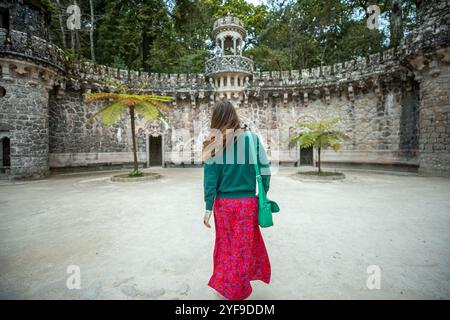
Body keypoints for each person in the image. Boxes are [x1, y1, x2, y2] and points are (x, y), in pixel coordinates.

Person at [202, 100, 271, 300]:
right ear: (235, 116)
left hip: (224, 206)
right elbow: (265, 172)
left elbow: (210, 180)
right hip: (247, 204)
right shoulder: (251, 139)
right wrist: (262, 194)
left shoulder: (213, 143)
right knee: (242, 247)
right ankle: (237, 288)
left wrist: (208, 207)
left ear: (216, 119)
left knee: (226, 246)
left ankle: (229, 285)